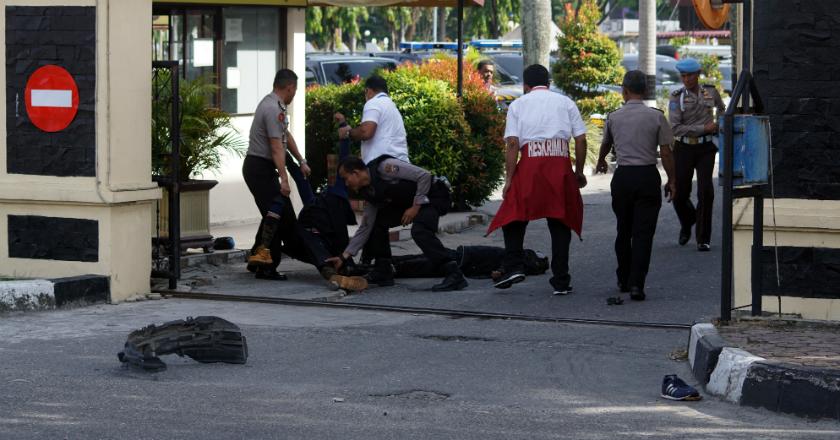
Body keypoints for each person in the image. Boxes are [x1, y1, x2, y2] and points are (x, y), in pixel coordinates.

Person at [486, 64, 587, 296]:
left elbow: (512, 144)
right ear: (549, 83)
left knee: (513, 216)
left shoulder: (518, 105)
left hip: (531, 162)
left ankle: (513, 267)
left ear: (525, 86)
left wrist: (509, 180)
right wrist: (578, 172)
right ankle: (561, 280)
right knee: (560, 221)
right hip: (559, 163)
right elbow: (581, 140)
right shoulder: (566, 102)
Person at [327, 156, 468, 292]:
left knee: (420, 231)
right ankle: (383, 271)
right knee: (376, 224)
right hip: (411, 204)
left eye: (346, 178)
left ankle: (454, 273)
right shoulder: (369, 192)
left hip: (433, 196)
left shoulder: (385, 167)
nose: (346, 183)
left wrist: (415, 207)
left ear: (356, 173)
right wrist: (344, 256)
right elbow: (365, 226)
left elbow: (424, 176)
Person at [596, 70, 677, 301]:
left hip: (622, 178)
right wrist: (672, 180)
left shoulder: (613, 117)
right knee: (643, 234)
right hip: (647, 176)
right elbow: (666, 152)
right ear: (645, 91)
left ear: (624, 90)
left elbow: (605, 144)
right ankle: (637, 284)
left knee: (624, 229)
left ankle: (623, 278)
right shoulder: (656, 116)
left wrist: (601, 161)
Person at [242, 69, 312, 280]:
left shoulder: (274, 105)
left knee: (271, 214)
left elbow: (285, 135)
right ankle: (267, 267)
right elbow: (276, 147)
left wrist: (301, 160)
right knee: (280, 216)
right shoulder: (273, 109)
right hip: (259, 169)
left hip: (261, 168)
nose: (294, 95)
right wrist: (284, 179)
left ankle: (257, 257)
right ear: (289, 87)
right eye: (295, 91)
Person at [669, 58, 726, 252]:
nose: (686, 79)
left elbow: (722, 110)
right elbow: (676, 128)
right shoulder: (676, 97)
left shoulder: (710, 92)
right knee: (679, 194)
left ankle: (703, 238)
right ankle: (688, 222)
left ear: (698, 74)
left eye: (690, 75)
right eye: (683, 76)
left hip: (706, 148)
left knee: (706, 192)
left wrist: (719, 124)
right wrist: (704, 127)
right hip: (684, 148)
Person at [334, 75, 409, 165]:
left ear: (368, 91)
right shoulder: (392, 106)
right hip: (401, 164)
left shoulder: (373, 102)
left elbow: (366, 132)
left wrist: (348, 132)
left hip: (383, 166)